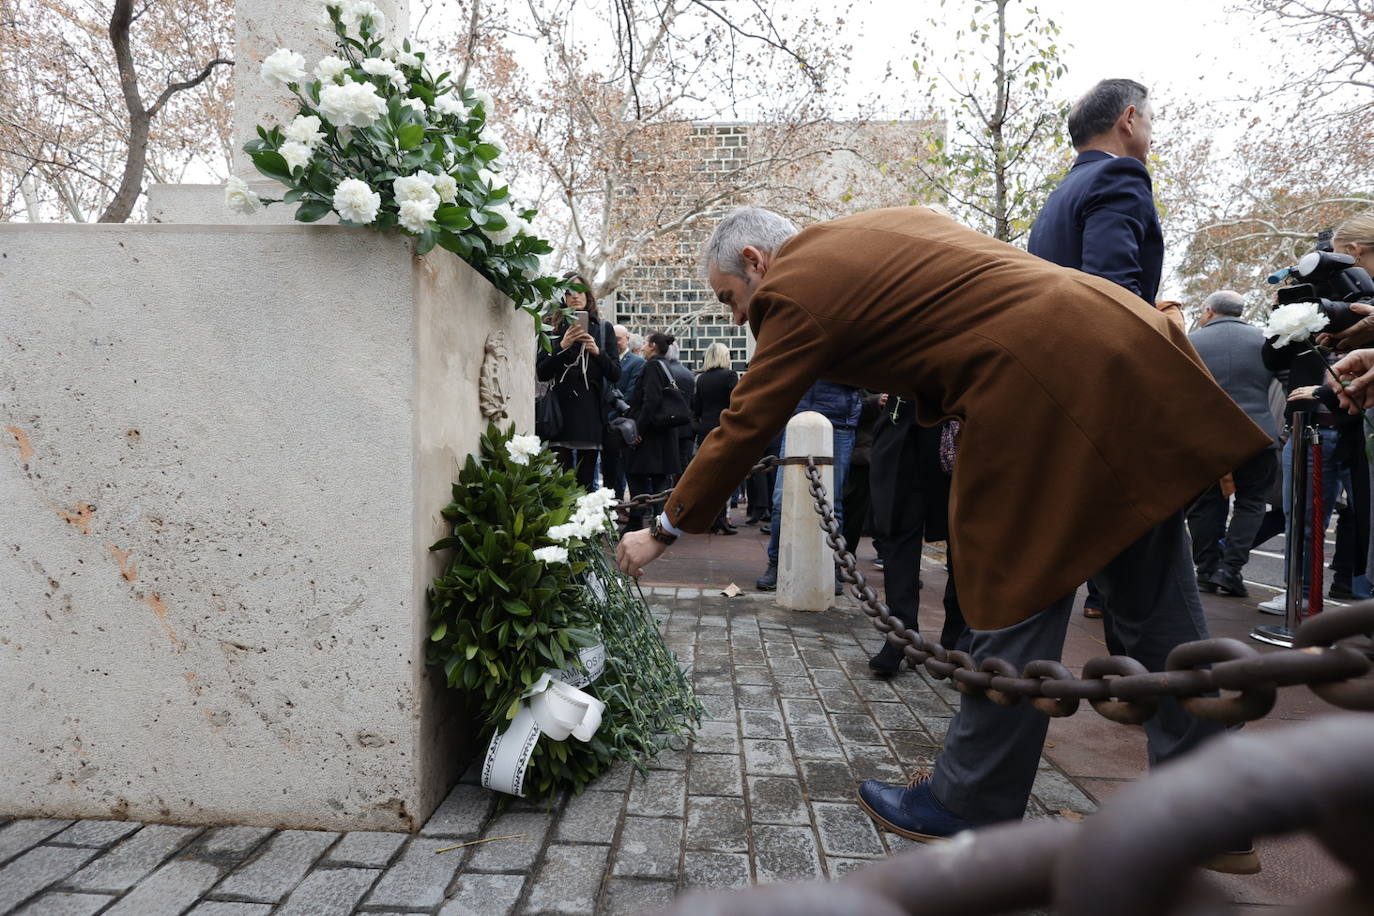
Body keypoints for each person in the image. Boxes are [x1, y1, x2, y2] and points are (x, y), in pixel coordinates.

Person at [615, 206, 1270, 874]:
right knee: (1154, 591)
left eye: (730, 298)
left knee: (1013, 583)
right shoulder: (870, 231)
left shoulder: (795, 285)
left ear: (756, 261)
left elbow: (749, 416)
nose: (735, 318)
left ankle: (971, 799)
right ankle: (1210, 810)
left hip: (1042, 378)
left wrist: (663, 530)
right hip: (1117, 338)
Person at [1028, 77, 1160, 622]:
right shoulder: (1121, 176)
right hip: (1103, 399)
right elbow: (1113, 296)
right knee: (1150, 580)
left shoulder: (1062, 193)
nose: (1152, 131)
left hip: (1058, 389)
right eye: (1151, 118)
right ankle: (1175, 700)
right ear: (1128, 118)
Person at [1184, 291, 1281, 597]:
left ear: (1208, 311)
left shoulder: (1191, 342)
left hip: (1208, 436)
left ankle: (1206, 570)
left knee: (1205, 504)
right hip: (1258, 432)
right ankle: (1231, 570)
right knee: (1252, 502)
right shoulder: (1265, 339)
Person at [867, 396, 967, 673]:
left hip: (956, 424)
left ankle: (957, 640)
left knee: (961, 536)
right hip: (904, 423)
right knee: (897, 532)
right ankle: (899, 636)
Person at [754, 380, 862, 594]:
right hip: (799, 418)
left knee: (833, 501)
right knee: (782, 499)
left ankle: (831, 566)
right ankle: (776, 563)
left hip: (839, 420)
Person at [535, 275, 620, 489]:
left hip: (590, 412)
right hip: (559, 413)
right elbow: (542, 372)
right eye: (569, 292)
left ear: (588, 295)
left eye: (579, 291)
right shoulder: (550, 328)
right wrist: (563, 345)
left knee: (585, 481)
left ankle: (585, 521)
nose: (575, 297)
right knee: (560, 481)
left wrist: (597, 352)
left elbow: (616, 374)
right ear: (562, 297)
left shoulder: (602, 328)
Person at [624, 331, 684, 530]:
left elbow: (652, 400)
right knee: (660, 483)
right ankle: (660, 525)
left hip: (650, 436)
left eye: (645, 343)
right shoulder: (665, 365)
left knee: (637, 479)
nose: (641, 347)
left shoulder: (651, 365)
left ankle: (636, 524)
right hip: (663, 437)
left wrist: (638, 430)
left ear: (652, 346)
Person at [692, 342, 740, 534]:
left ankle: (709, 518)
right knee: (724, 476)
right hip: (724, 428)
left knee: (708, 476)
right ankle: (721, 519)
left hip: (705, 430)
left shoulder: (701, 379)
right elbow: (736, 402)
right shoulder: (729, 376)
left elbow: (697, 409)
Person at [601, 324, 647, 499]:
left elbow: (631, 394)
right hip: (604, 422)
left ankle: (620, 504)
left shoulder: (637, 363)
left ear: (627, 339)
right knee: (608, 470)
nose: (614, 342)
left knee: (621, 468)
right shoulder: (604, 359)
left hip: (621, 424)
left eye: (618, 338)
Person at [665, 344, 697, 478]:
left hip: (669, 425)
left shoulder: (666, 371)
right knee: (684, 465)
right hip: (686, 426)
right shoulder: (688, 373)